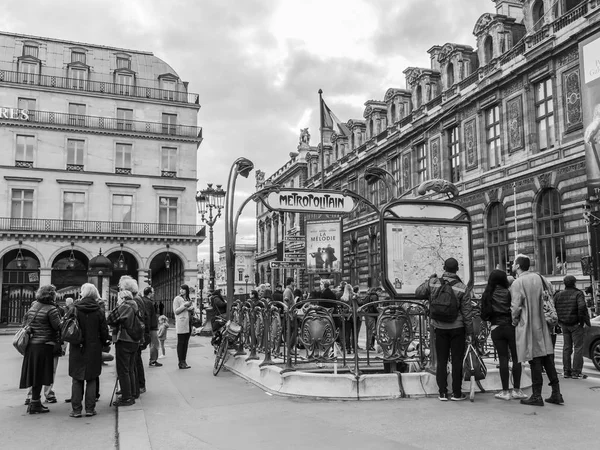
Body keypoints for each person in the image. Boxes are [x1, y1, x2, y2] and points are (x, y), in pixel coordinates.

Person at [415, 257, 474, 402]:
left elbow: (418, 292)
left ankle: (442, 392)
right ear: (457, 269)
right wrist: (470, 332)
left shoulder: (434, 282)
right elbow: (467, 312)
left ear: (444, 268)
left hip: (439, 327)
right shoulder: (462, 287)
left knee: (441, 360)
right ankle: (456, 393)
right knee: (457, 360)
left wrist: (429, 279)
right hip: (457, 327)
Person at [510, 254, 563, 406]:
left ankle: (536, 395)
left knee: (534, 359)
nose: (513, 266)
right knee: (547, 358)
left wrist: (514, 322)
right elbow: (551, 294)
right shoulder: (541, 278)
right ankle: (556, 392)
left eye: (514, 263)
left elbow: (515, 307)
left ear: (518, 266)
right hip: (544, 324)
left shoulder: (518, 283)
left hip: (528, 324)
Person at [480, 270, 526, 401]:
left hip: (496, 328)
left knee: (503, 358)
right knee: (517, 358)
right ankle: (517, 390)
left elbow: (483, 314)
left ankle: (505, 391)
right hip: (511, 327)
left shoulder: (487, 294)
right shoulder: (509, 292)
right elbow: (517, 307)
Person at [68, 283, 109, 418]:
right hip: (93, 347)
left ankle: (76, 410)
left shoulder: (74, 309)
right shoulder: (99, 310)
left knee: (77, 378)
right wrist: (104, 343)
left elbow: (67, 326)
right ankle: (90, 409)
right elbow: (104, 331)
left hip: (77, 346)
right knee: (91, 377)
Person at [19, 284, 62, 414]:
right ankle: (35, 404)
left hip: (32, 345)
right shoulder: (51, 309)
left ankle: (34, 402)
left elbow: (24, 324)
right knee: (41, 374)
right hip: (44, 345)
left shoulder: (33, 307)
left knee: (34, 374)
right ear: (51, 295)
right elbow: (58, 327)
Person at [106, 289, 139, 407]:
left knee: (123, 370)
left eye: (119, 298)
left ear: (123, 298)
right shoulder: (135, 305)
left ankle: (127, 397)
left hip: (125, 339)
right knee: (130, 368)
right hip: (134, 340)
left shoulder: (125, 306)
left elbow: (110, 318)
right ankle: (133, 392)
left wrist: (118, 306)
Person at [554, 275, 591, 380]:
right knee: (578, 348)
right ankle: (576, 372)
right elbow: (582, 306)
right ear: (574, 283)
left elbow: (554, 307)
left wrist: (560, 320)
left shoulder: (559, 295)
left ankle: (566, 371)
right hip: (576, 324)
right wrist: (581, 320)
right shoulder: (578, 293)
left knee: (566, 348)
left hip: (564, 324)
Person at [120, 276, 147, 397]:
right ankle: (135, 386)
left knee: (133, 363)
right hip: (136, 336)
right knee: (134, 362)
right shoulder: (138, 299)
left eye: (121, 288)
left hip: (132, 336)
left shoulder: (133, 301)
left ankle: (136, 387)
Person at [173, 284, 194, 369]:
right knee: (181, 343)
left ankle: (184, 361)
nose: (181, 291)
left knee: (186, 343)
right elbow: (176, 311)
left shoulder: (188, 299)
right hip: (181, 322)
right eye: (180, 289)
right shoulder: (177, 299)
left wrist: (191, 308)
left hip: (188, 323)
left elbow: (191, 310)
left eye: (183, 289)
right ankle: (180, 362)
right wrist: (185, 306)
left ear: (187, 291)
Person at [143, 287, 162, 368]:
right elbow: (148, 315)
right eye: (153, 292)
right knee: (155, 343)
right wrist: (149, 327)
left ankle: (153, 359)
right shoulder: (148, 302)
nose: (154, 294)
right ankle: (153, 360)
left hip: (149, 326)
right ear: (149, 293)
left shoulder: (143, 300)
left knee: (152, 343)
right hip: (151, 327)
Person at [340, 284, 354, 353]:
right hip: (353, 315)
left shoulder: (343, 298)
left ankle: (348, 348)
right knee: (354, 333)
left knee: (347, 333)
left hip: (346, 316)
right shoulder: (354, 296)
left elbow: (341, 308)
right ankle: (354, 348)